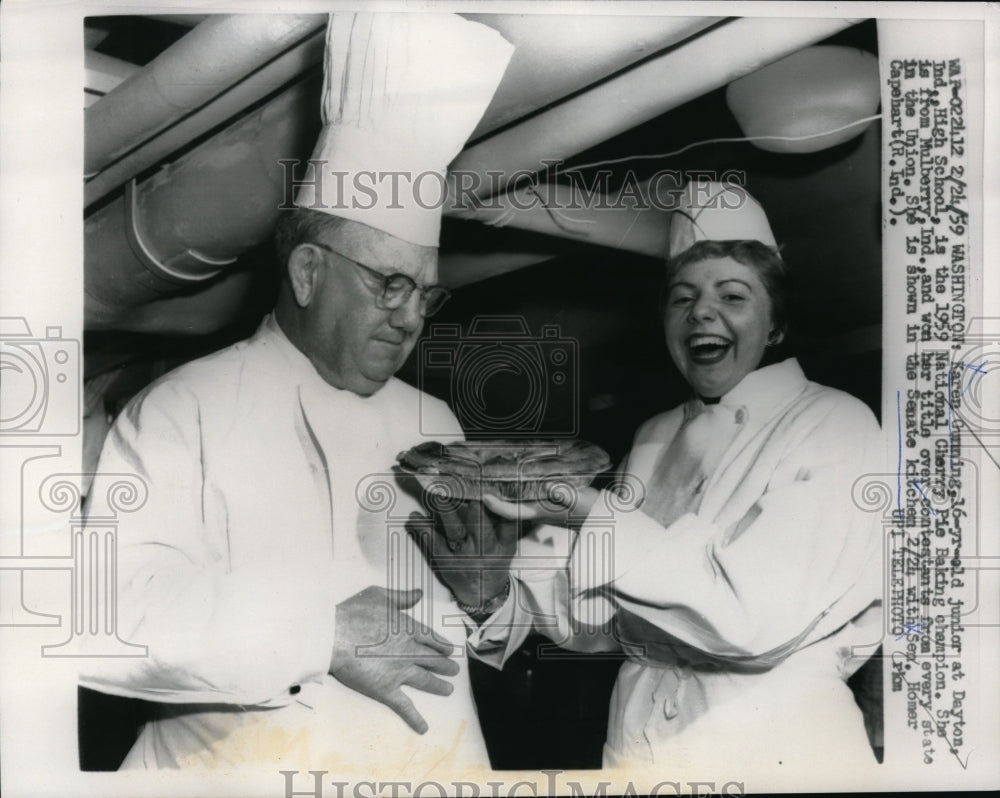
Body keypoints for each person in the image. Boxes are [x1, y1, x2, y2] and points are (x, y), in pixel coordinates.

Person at [79, 12, 513, 776]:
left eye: (426, 296)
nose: (411, 318)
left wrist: (488, 598)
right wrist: (318, 636)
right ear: (309, 273)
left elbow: (484, 620)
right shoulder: (184, 411)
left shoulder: (436, 422)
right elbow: (105, 617)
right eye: (390, 284)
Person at [422, 181, 884, 775]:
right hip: (637, 750)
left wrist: (586, 510)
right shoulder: (653, 435)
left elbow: (753, 619)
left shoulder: (835, 422)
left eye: (733, 295)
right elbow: (598, 623)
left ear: (776, 325)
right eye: (681, 297)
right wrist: (492, 585)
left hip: (779, 751)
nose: (702, 313)